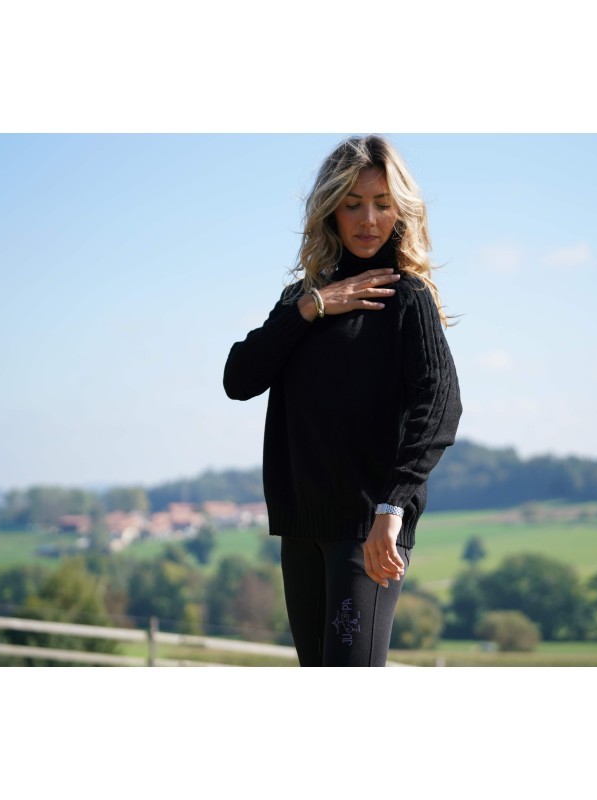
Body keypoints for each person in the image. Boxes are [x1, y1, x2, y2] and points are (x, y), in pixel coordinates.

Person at [223, 135, 462, 667]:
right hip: (301, 530)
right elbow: (239, 378)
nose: (368, 219)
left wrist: (391, 507)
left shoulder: (406, 297)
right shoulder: (301, 300)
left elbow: (441, 407)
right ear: (330, 210)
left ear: (400, 211)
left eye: (381, 203)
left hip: (369, 532)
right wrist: (312, 306)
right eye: (353, 204)